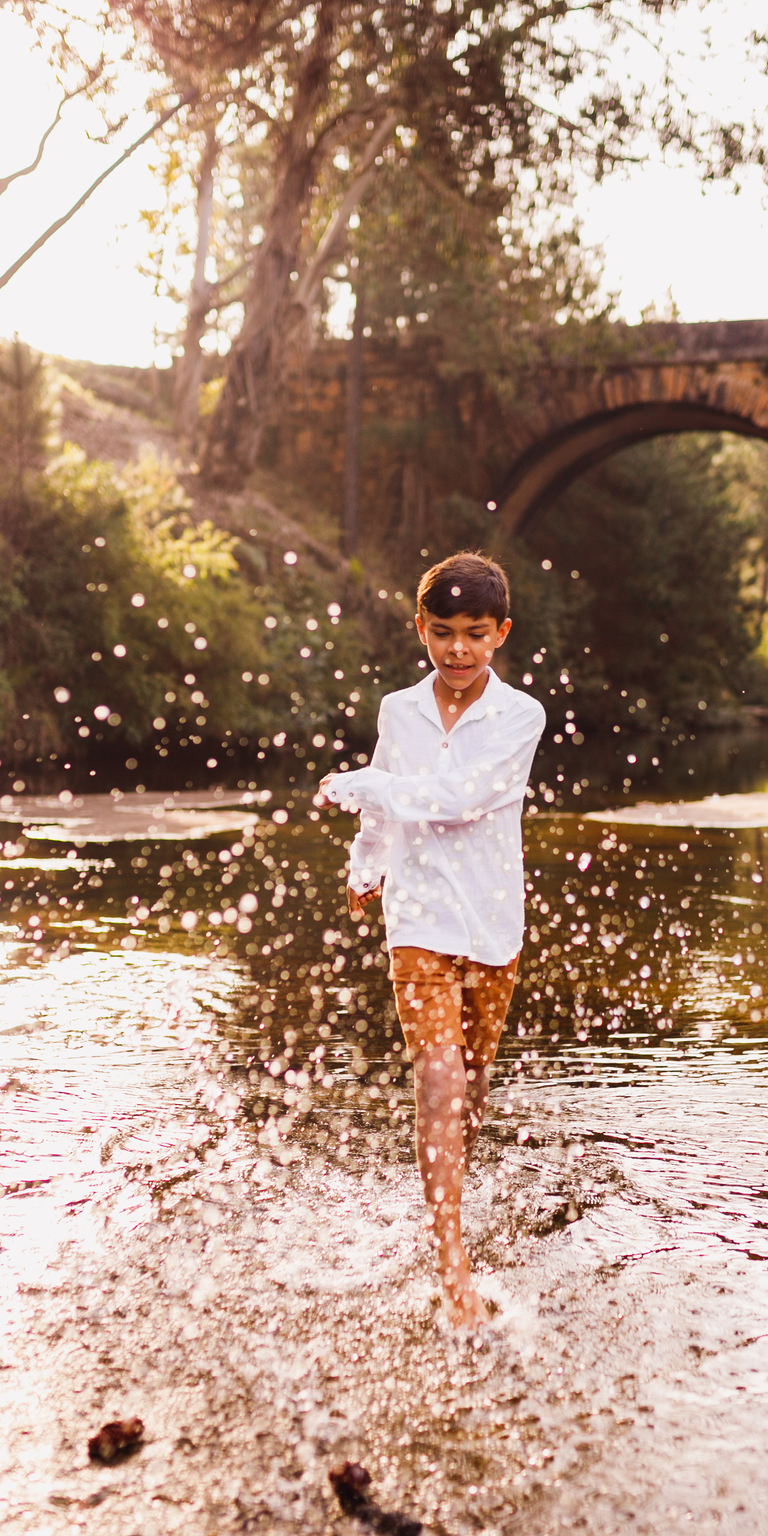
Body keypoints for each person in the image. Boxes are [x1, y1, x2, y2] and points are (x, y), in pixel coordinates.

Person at [317, 551, 545, 1328]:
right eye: (441, 633)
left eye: (473, 635)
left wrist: (364, 786)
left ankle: (450, 1196)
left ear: (500, 634)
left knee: (472, 1082)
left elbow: (461, 800)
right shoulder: (397, 712)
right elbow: (388, 803)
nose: (456, 650)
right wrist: (366, 860)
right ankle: (451, 1256)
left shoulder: (521, 718)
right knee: (439, 1078)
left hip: (490, 922)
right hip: (417, 919)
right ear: (420, 628)